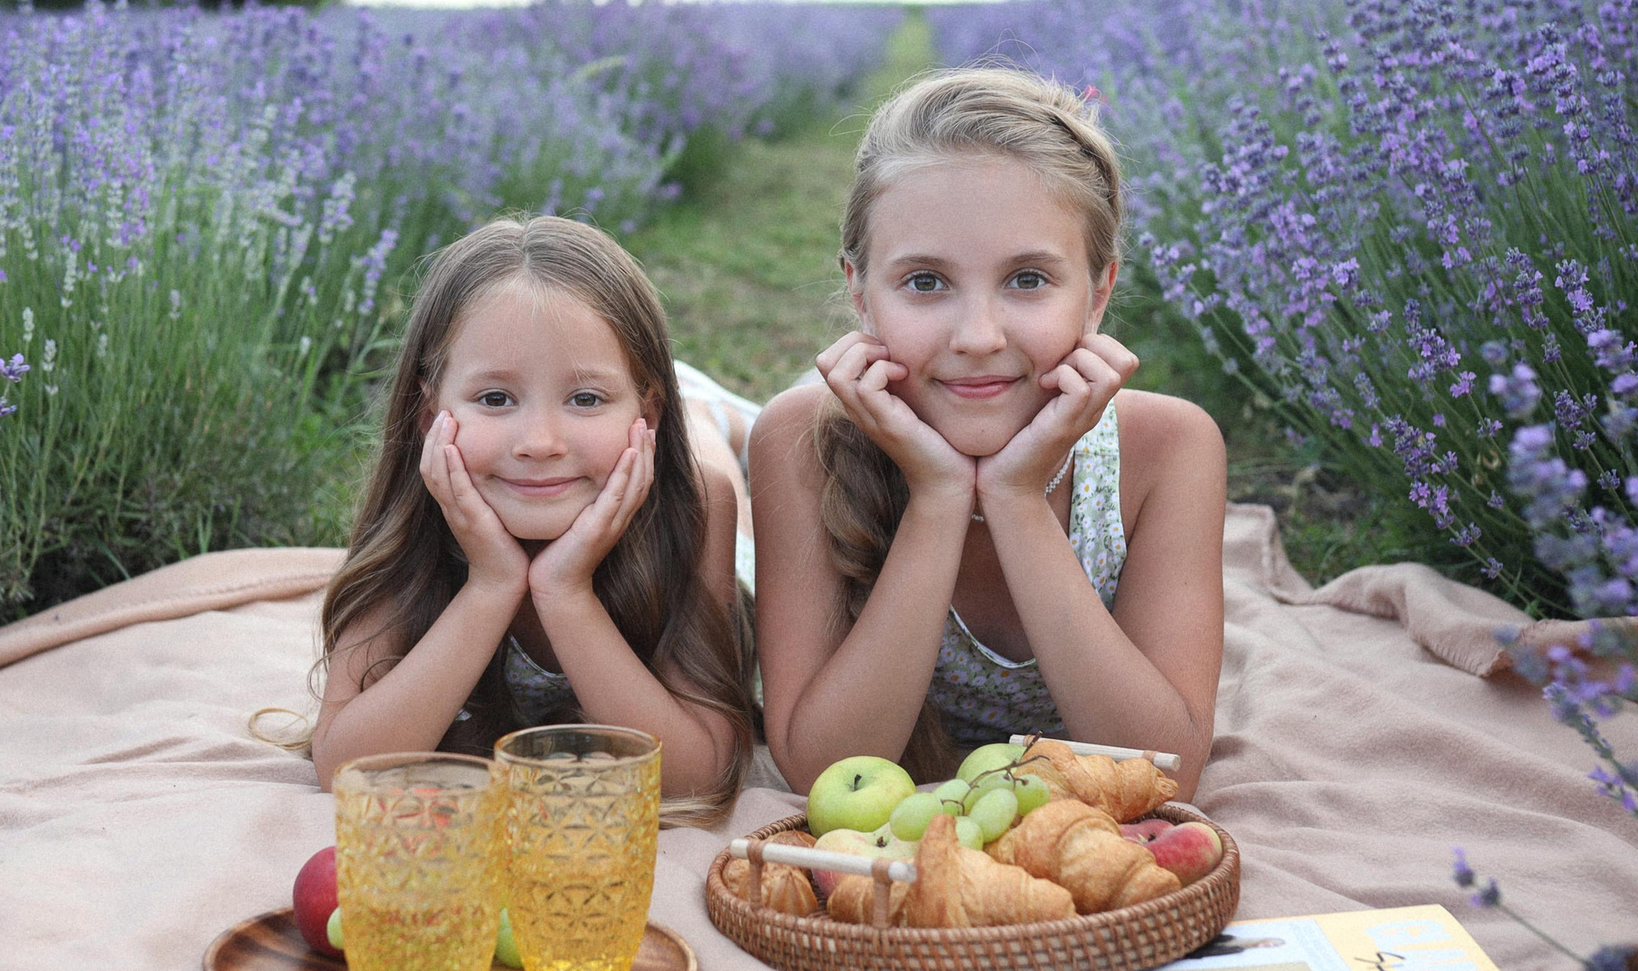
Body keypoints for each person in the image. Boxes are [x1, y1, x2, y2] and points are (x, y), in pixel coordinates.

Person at [750, 67, 1226, 795]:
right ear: (859, 290)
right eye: (926, 282)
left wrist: (1016, 496)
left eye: (1028, 279)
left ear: (1097, 293)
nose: (977, 336)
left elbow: (1161, 772)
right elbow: (824, 770)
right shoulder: (800, 442)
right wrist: (939, 495)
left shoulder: (1168, 450)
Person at [311, 215, 750, 820]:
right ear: (427, 415)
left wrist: (566, 593)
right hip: (600, 458)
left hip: (690, 480)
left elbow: (695, 777)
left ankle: (712, 413)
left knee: (708, 444)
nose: (538, 442)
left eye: (585, 398)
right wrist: (492, 584)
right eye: (496, 399)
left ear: (646, 414)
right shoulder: (419, 522)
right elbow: (346, 769)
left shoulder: (696, 506)